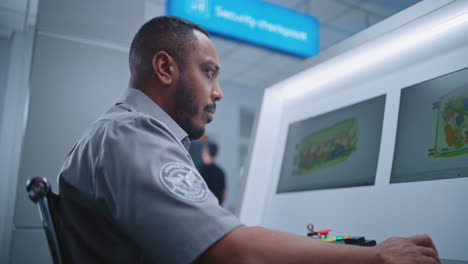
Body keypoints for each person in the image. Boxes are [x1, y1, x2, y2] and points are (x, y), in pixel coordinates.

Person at [57, 16, 441, 264]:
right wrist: (375, 256)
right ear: (164, 68)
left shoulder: (119, 133)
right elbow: (232, 251)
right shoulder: (133, 136)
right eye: (209, 73)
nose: (218, 91)